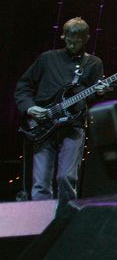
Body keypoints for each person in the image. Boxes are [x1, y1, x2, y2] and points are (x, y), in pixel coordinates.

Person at [15, 17, 107, 211]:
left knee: (66, 177)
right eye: (68, 41)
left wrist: (99, 92)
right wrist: (30, 108)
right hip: (43, 125)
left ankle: (65, 222)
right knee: (40, 182)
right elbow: (23, 87)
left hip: (73, 126)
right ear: (64, 37)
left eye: (77, 41)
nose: (72, 45)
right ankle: (40, 225)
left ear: (86, 38)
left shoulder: (93, 63)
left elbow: (92, 100)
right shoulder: (47, 58)